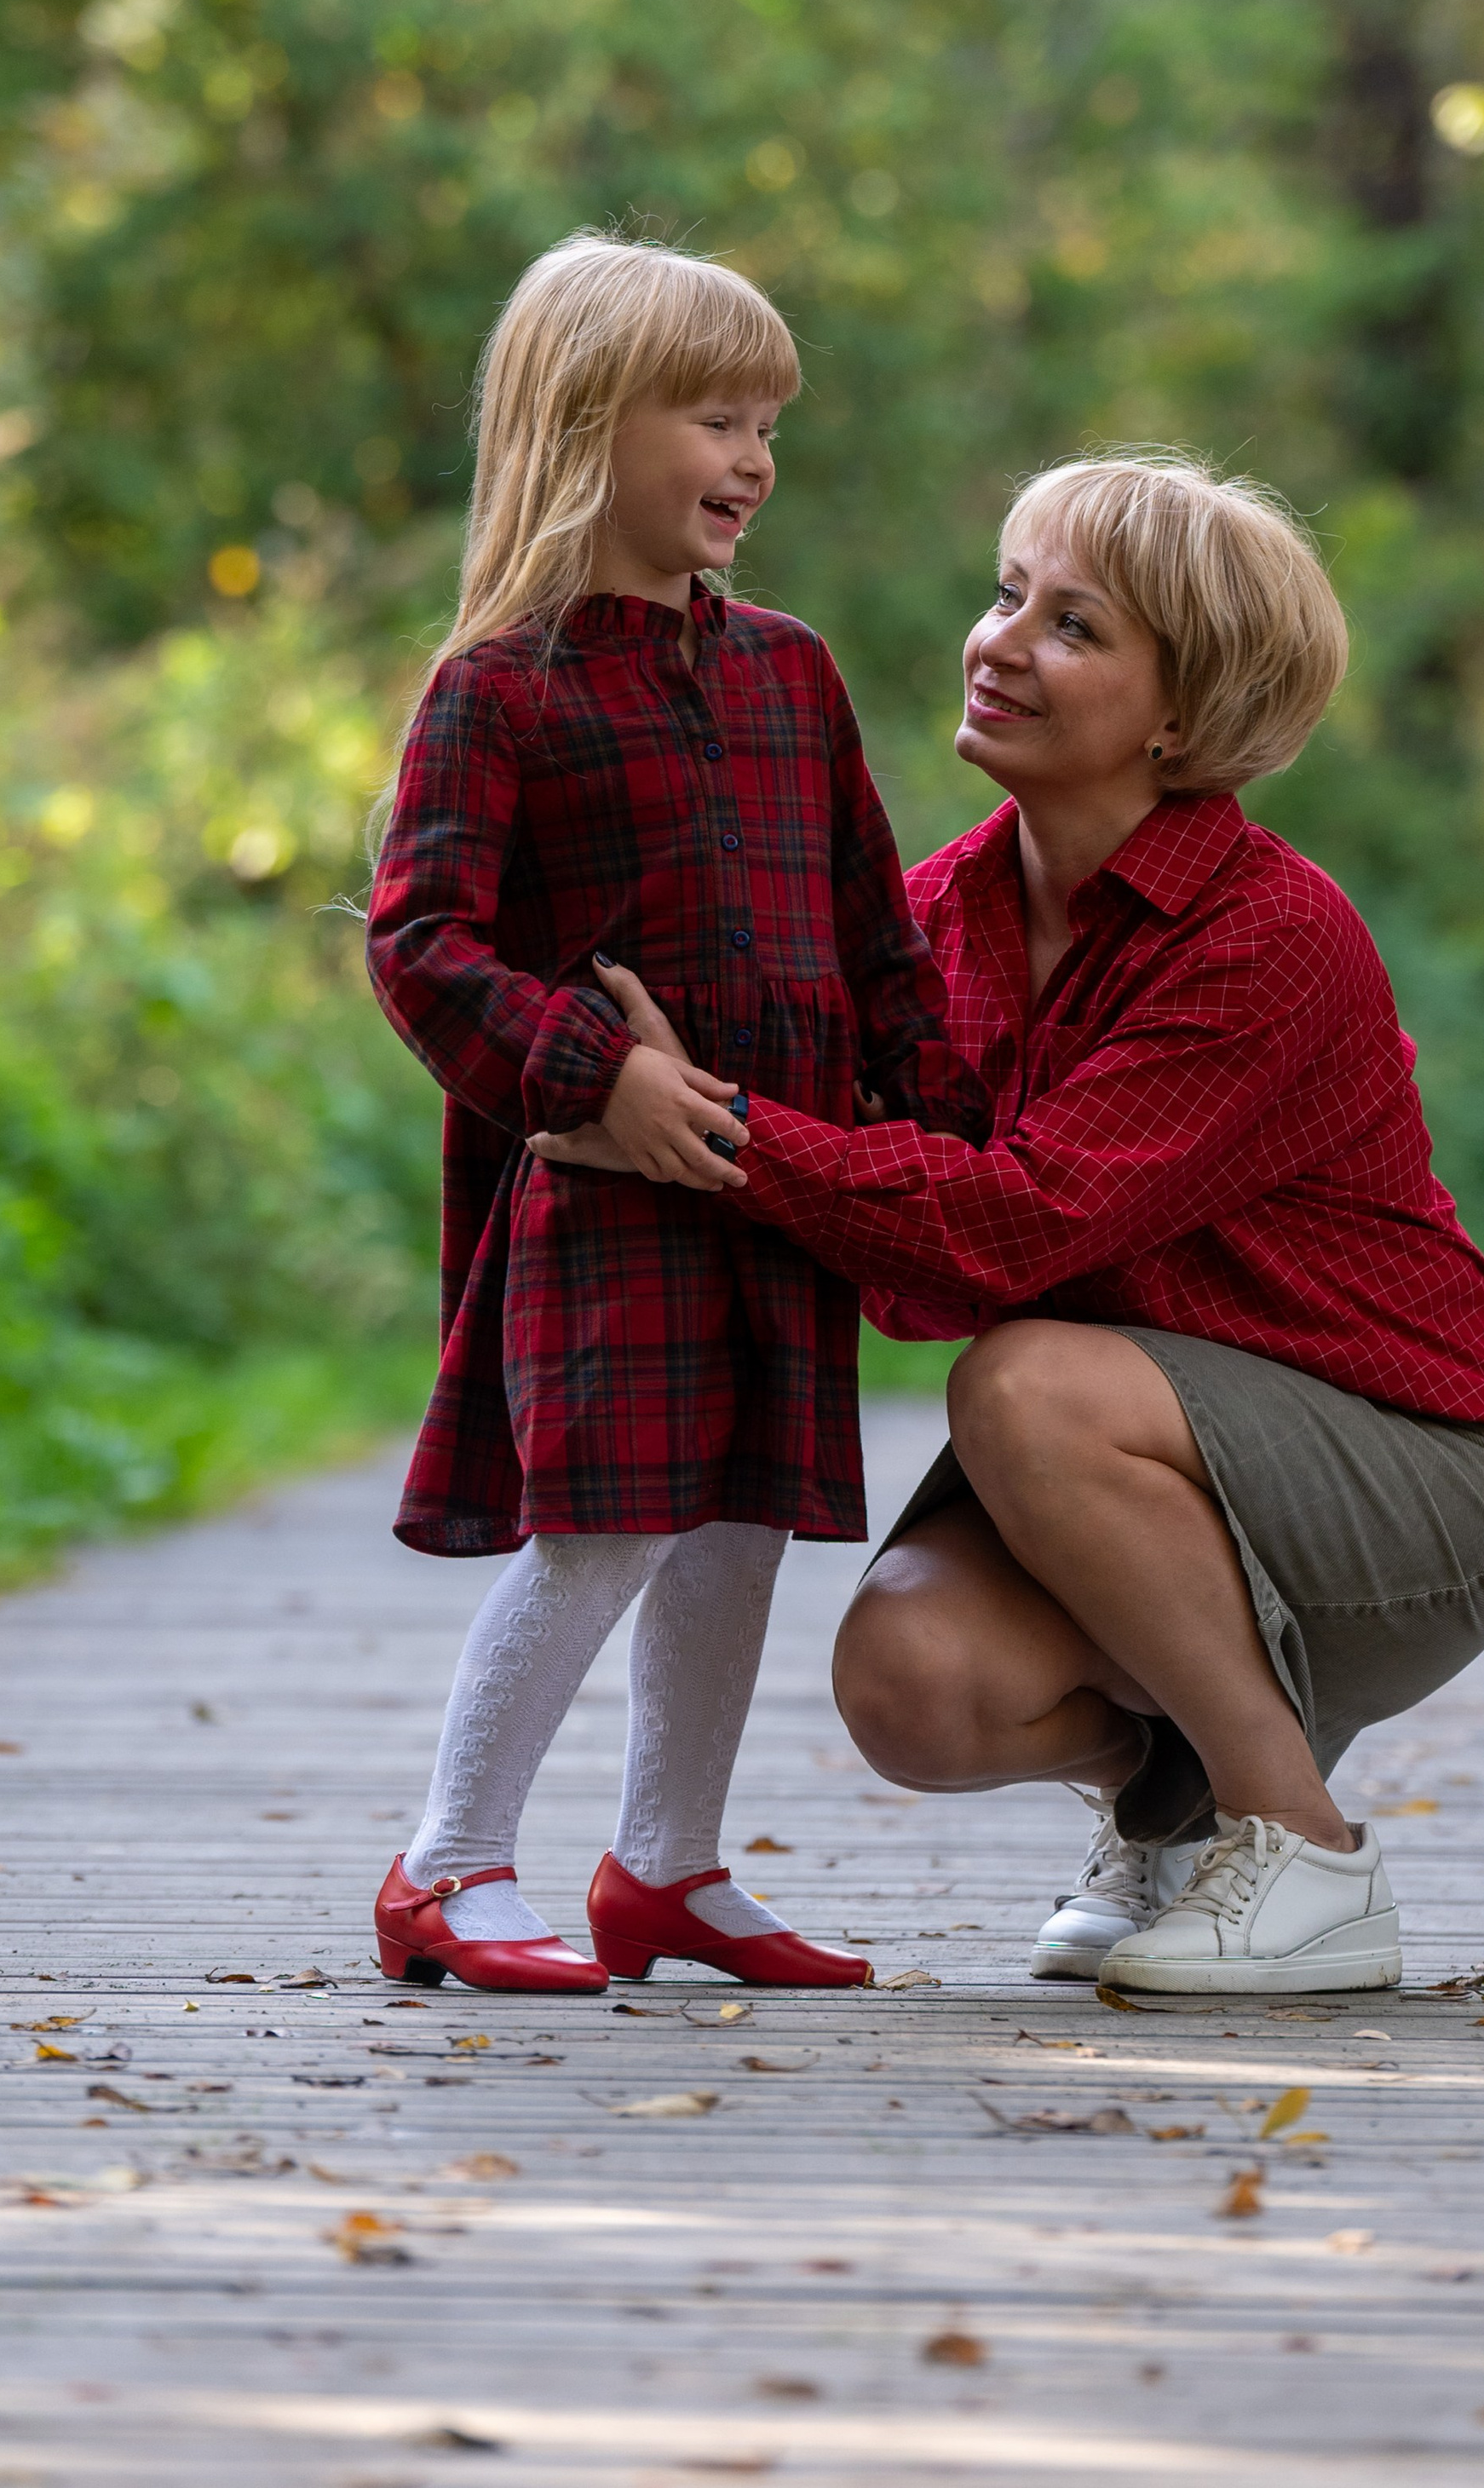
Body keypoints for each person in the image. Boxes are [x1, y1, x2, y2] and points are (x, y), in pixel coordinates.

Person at [529, 450, 1484, 1997]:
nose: (1002, 641)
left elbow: (998, 1237)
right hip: (1148, 1462)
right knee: (911, 1677)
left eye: (1074, 626)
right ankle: (1173, 1823)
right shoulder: (937, 918)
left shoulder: (1269, 935)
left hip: (1419, 1472)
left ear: (1182, 712)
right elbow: (892, 1238)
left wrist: (706, 1132)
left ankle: (1304, 1855)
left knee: (1023, 1377)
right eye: (1006, 593)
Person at [363, 232, 990, 1995]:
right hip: (602, 1189)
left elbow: (875, 935)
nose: (754, 459)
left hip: (774, 1179)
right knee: (611, 1524)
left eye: (768, 423)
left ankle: (664, 1868)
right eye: (714, 417)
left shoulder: (789, 674)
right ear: (585, 423)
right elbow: (419, 943)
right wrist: (588, 1072)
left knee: (732, 1516)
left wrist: (941, 1142)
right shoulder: (501, 683)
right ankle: (445, 1861)